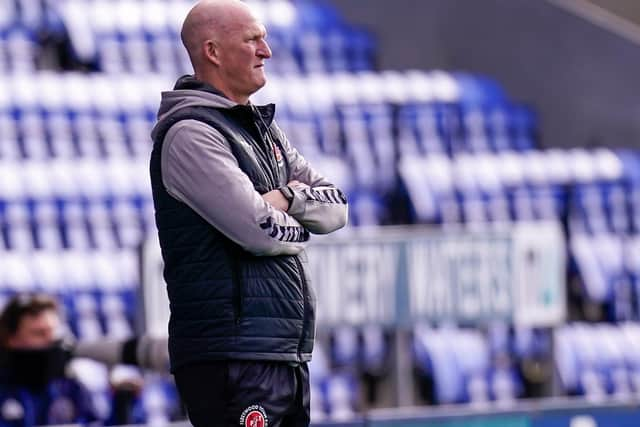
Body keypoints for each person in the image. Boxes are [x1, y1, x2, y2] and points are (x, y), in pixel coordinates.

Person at [149, 0, 349, 425]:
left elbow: (337, 210)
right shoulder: (191, 134)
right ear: (213, 52)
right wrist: (292, 211)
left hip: (280, 352)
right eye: (253, 39)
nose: (267, 51)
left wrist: (285, 200)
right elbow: (261, 231)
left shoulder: (262, 128)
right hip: (233, 355)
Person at [0, 294, 99, 426]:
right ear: (11, 339)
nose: (51, 340)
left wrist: (123, 402)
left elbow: (93, 422)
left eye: (53, 332)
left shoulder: (70, 386)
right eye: (39, 333)